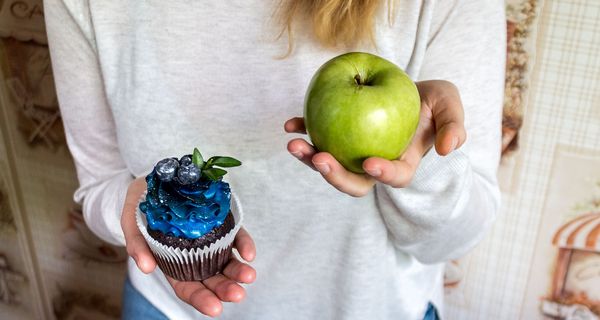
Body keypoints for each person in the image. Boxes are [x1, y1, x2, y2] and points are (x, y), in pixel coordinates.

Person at [44, 0, 505, 319]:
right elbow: (100, 183)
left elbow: (460, 235)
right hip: (168, 308)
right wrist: (133, 212)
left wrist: (420, 161)